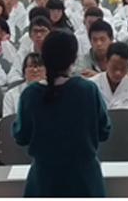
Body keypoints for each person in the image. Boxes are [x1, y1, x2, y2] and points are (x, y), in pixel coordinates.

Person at [12, 30, 111, 197]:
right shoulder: (87, 90)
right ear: (73, 59)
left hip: (44, 181)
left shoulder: (30, 94)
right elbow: (104, 131)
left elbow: (21, 136)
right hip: (84, 181)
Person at [91, 43, 128, 111]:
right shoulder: (90, 86)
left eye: (123, 68)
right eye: (114, 67)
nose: (118, 73)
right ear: (106, 62)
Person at [8, 16, 52, 84]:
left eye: (43, 31)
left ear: (50, 34)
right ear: (30, 35)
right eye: (35, 31)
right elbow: (13, 75)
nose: (39, 35)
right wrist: (27, 82)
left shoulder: (56, 52)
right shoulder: (24, 52)